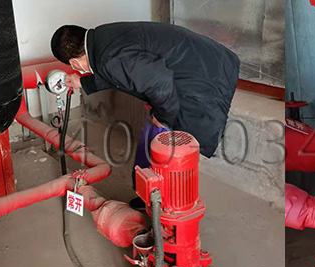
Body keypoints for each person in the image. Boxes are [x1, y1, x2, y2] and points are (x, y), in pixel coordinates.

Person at [51, 22, 240, 208]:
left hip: (205, 78)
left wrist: (163, 117)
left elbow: (160, 83)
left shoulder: (110, 58)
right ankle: (150, 197)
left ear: (74, 63)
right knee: (153, 143)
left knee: (174, 147)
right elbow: (119, 72)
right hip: (204, 62)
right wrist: (84, 82)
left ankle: (169, 208)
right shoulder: (101, 37)